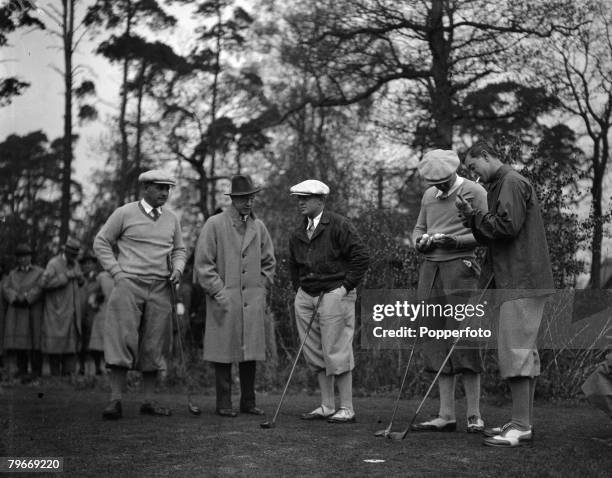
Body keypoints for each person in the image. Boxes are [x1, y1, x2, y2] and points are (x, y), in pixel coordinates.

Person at [457, 141, 554, 448]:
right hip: (517, 278)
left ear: (486, 156)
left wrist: (475, 216)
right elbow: (497, 230)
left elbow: (506, 227)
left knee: (515, 352)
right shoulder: (502, 183)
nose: (474, 175)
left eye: (474, 167)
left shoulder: (510, 182)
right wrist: (473, 218)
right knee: (522, 352)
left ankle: (522, 426)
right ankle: (520, 421)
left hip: (521, 279)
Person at [94, 169, 186, 420]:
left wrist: (178, 269)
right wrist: (117, 273)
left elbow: (179, 250)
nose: (164, 193)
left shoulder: (171, 219)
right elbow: (101, 242)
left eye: (168, 188)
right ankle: (115, 400)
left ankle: (148, 401)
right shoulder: (124, 213)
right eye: (159, 187)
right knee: (121, 340)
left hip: (160, 287)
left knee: (155, 343)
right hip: (128, 284)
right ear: (145, 188)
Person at [411, 149, 488, 433]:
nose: (440, 187)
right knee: (435, 339)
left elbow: (485, 233)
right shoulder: (429, 195)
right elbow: (418, 228)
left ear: (453, 172)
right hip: (430, 270)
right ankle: (445, 415)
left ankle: (474, 414)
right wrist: (420, 242)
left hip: (462, 269)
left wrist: (454, 241)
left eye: (444, 181)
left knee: (464, 338)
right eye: (435, 182)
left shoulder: (474, 191)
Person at [194, 175, 276, 417]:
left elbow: (269, 262)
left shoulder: (258, 227)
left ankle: (248, 402)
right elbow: (203, 265)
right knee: (223, 353)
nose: (248, 202)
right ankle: (224, 404)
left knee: (249, 352)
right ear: (233, 199)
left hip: (252, 301)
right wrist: (220, 292)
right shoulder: (215, 224)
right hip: (224, 299)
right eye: (243, 198)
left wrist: (260, 287)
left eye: (251, 197)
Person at [288, 179, 369, 423]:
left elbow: (361, 257)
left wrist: (344, 288)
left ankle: (347, 407)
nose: (301, 202)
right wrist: (299, 291)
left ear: (321, 200)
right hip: (307, 296)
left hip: (335, 293)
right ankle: (326, 405)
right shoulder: (298, 231)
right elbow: (293, 264)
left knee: (337, 350)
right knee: (314, 352)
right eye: (299, 198)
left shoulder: (339, 225)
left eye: (306, 198)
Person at [41, 238, 84, 376]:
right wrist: (65, 276)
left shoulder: (76, 264)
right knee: (56, 347)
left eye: (75, 255)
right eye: (71, 254)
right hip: (56, 313)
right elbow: (44, 283)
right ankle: (55, 379)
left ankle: (69, 379)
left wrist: (80, 279)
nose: (73, 257)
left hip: (72, 313)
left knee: (71, 348)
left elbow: (78, 281)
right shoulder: (53, 263)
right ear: (65, 251)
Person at [2, 244, 44, 380]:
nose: (23, 259)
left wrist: (27, 298)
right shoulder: (13, 274)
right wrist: (14, 298)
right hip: (18, 312)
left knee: (35, 340)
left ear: (30, 257)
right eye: (20, 257)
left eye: (26, 256)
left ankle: (36, 370)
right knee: (20, 341)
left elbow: (40, 286)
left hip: (33, 310)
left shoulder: (39, 272)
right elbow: (5, 288)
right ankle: (22, 369)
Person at [78, 250, 99, 375]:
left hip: (94, 314)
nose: (87, 266)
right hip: (80, 312)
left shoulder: (98, 278)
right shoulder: (79, 279)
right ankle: (81, 367)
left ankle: (97, 367)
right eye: (84, 263)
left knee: (95, 341)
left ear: (94, 265)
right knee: (81, 341)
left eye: (89, 263)